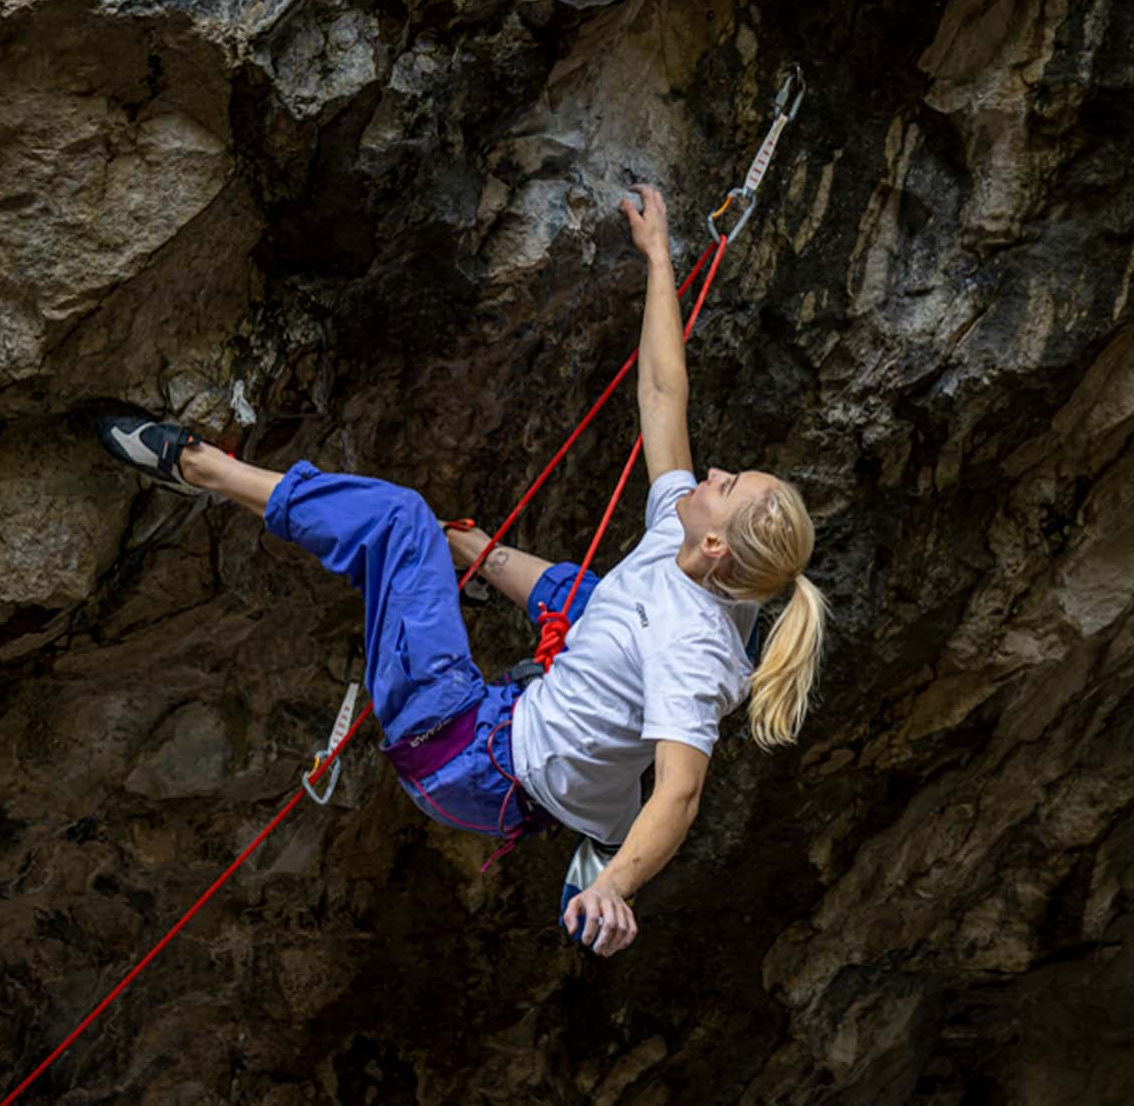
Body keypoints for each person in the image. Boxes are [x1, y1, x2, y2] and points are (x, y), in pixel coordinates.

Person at [97, 185, 826, 957]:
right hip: (520, 729)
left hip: (465, 755)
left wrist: (617, 889)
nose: (709, 472)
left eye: (726, 485)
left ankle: (201, 468)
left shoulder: (694, 648)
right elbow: (661, 393)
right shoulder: (693, 552)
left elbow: (680, 792)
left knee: (399, 521)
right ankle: (476, 561)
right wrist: (658, 259)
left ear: (717, 548)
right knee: (596, 599)